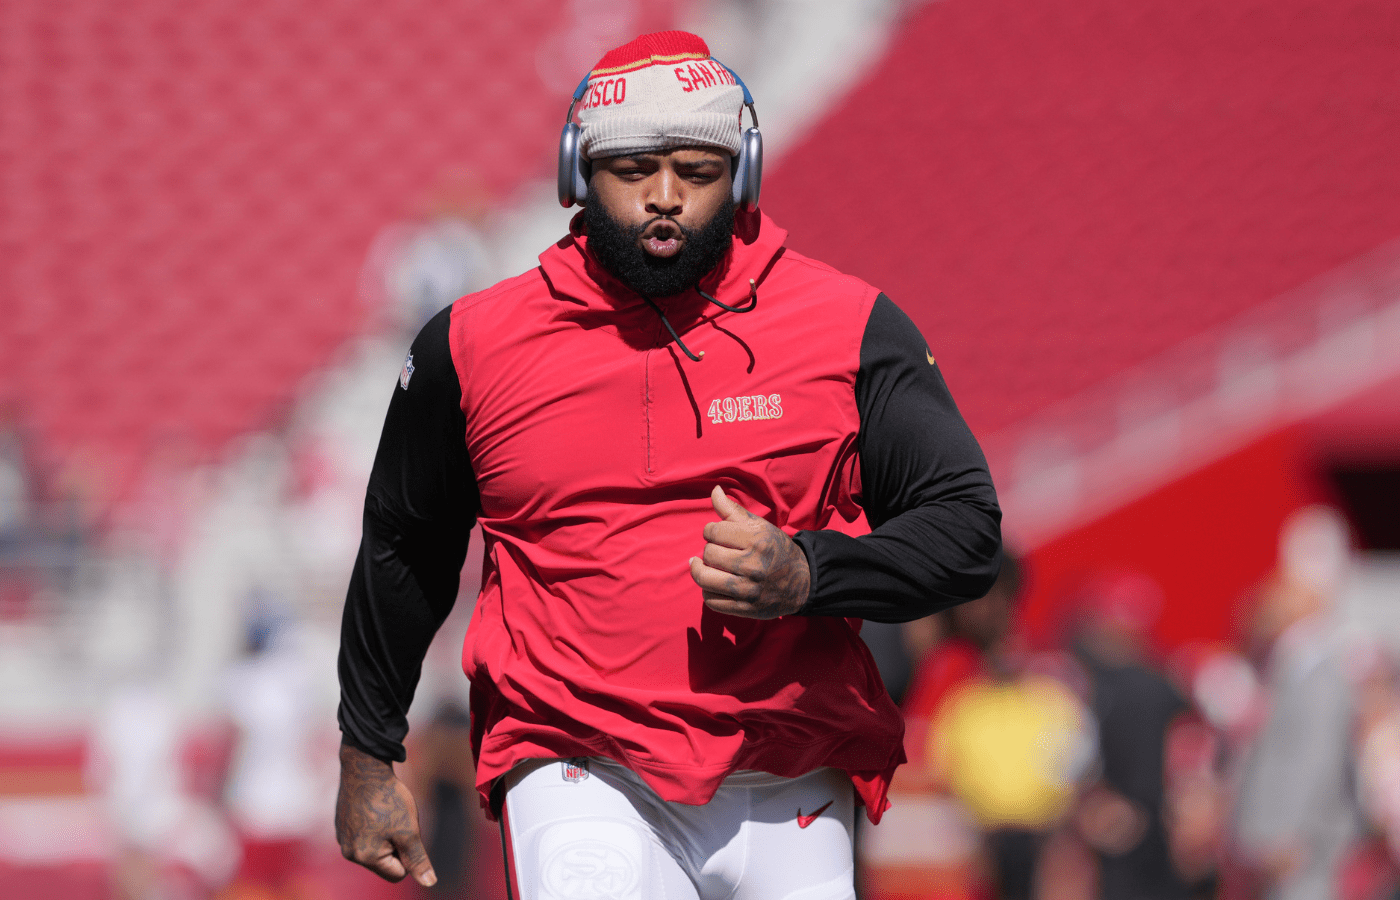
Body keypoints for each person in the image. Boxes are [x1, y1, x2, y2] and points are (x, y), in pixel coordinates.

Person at [335, 30, 1001, 900]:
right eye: (631, 168)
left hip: (789, 764)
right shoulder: (473, 344)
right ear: (578, 170)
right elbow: (404, 544)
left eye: (697, 171)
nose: (663, 198)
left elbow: (966, 530)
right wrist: (368, 753)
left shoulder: (851, 328)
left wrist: (810, 572)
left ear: (746, 171)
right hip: (576, 760)